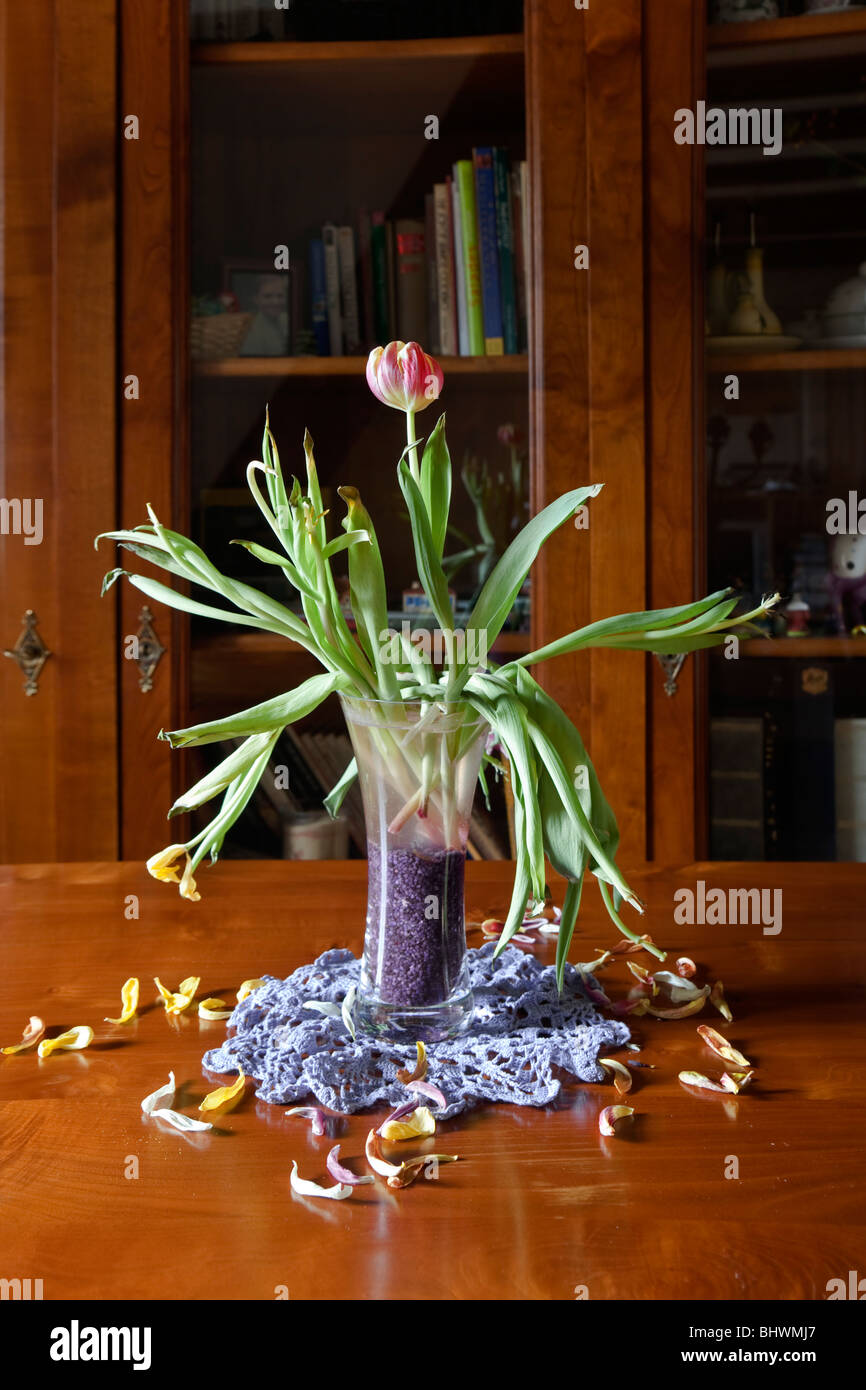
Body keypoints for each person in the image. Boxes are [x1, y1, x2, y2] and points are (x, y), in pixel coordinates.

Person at [240, 273, 288, 355]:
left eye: (280, 296)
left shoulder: (288, 319)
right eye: (267, 296)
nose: (275, 302)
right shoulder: (249, 330)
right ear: (256, 299)